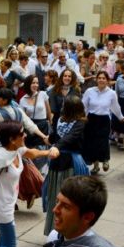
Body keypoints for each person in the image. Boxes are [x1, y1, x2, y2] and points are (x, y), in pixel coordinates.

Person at [43, 96, 89, 236]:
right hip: (57, 161)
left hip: (71, 162)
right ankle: (54, 234)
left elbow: (71, 137)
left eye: (65, 105)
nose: (62, 107)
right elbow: (54, 136)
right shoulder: (59, 119)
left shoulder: (81, 123)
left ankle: (68, 233)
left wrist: (57, 146)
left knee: (69, 200)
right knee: (54, 198)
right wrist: (48, 139)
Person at [82, 71, 124, 174]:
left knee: (103, 141)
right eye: (99, 78)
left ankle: (105, 160)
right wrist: (82, 117)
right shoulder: (89, 91)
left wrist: (121, 117)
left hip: (104, 119)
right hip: (91, 119)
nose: (101, 80)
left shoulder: (111, 93)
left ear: (107, 80)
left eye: (103, 78)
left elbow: (115, 107)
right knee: (92, 142)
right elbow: (84, 105)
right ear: (96, 79)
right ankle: (96, 166)